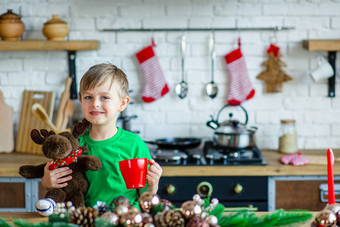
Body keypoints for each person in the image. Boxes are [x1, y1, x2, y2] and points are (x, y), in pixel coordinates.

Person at [40, 63, 162, 210]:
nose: (95, 104)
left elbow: (144, 197)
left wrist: (153, 185)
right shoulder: (73, 145)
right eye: (88, 97)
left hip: (124, 220)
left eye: (104, 97)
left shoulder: (134, 145)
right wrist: (46, 183)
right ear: (80, 100)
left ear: (123, 103)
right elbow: (59, 192)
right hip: (84, 220)